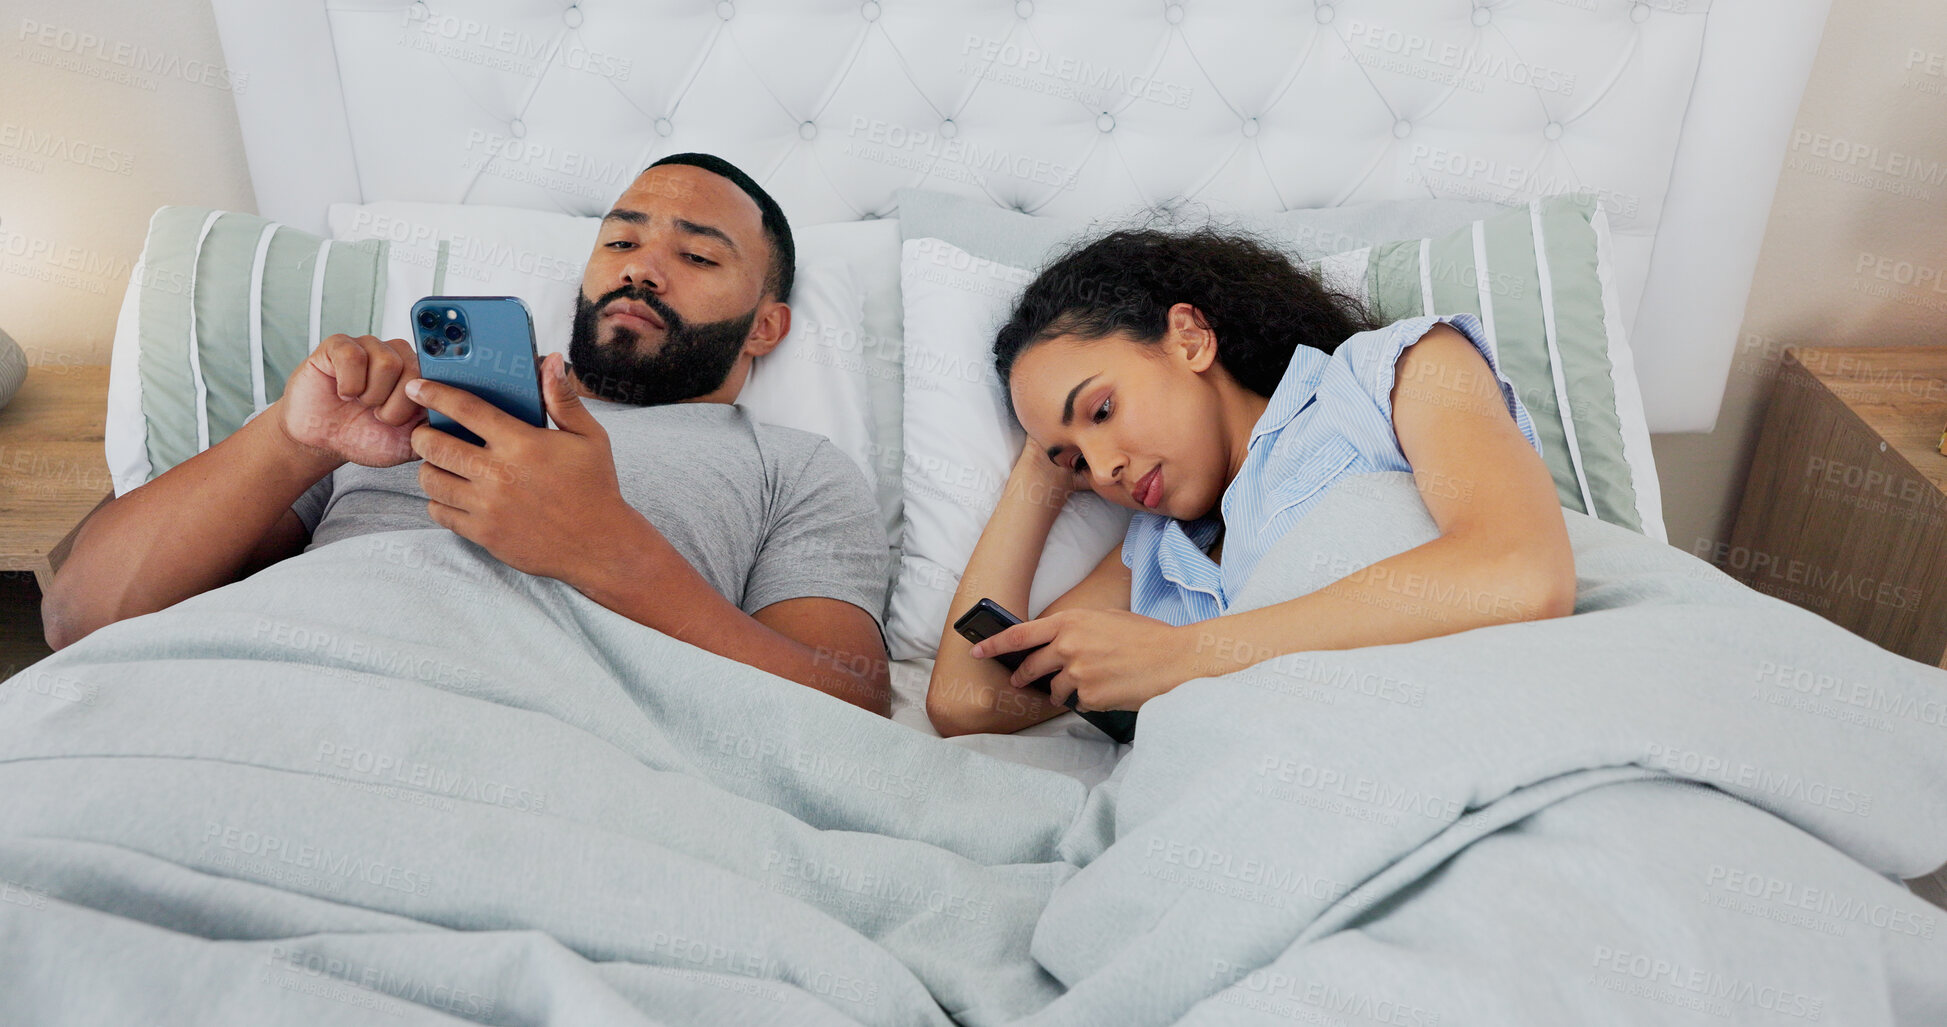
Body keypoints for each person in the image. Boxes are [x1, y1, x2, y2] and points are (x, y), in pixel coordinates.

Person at [43, 153, 894, 715]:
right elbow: (81, 616)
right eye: (620, 241)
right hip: (277, 704)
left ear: (765, 328)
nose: (640, 266)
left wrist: (607, 552)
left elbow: (848, 711)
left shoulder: (794, 467)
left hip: (554, 746)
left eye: (699, 257)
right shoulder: (404, 403)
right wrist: (291, 440)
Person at [926, 226, 1576, 737]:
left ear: (1187, 339)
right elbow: (966, 701)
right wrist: (1037, 470)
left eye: (1100, 410)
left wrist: (1184, 656)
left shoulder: (1391, 374)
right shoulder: (1151, 559)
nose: (1102, 471)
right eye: (1075, 462)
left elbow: (1521, 572)